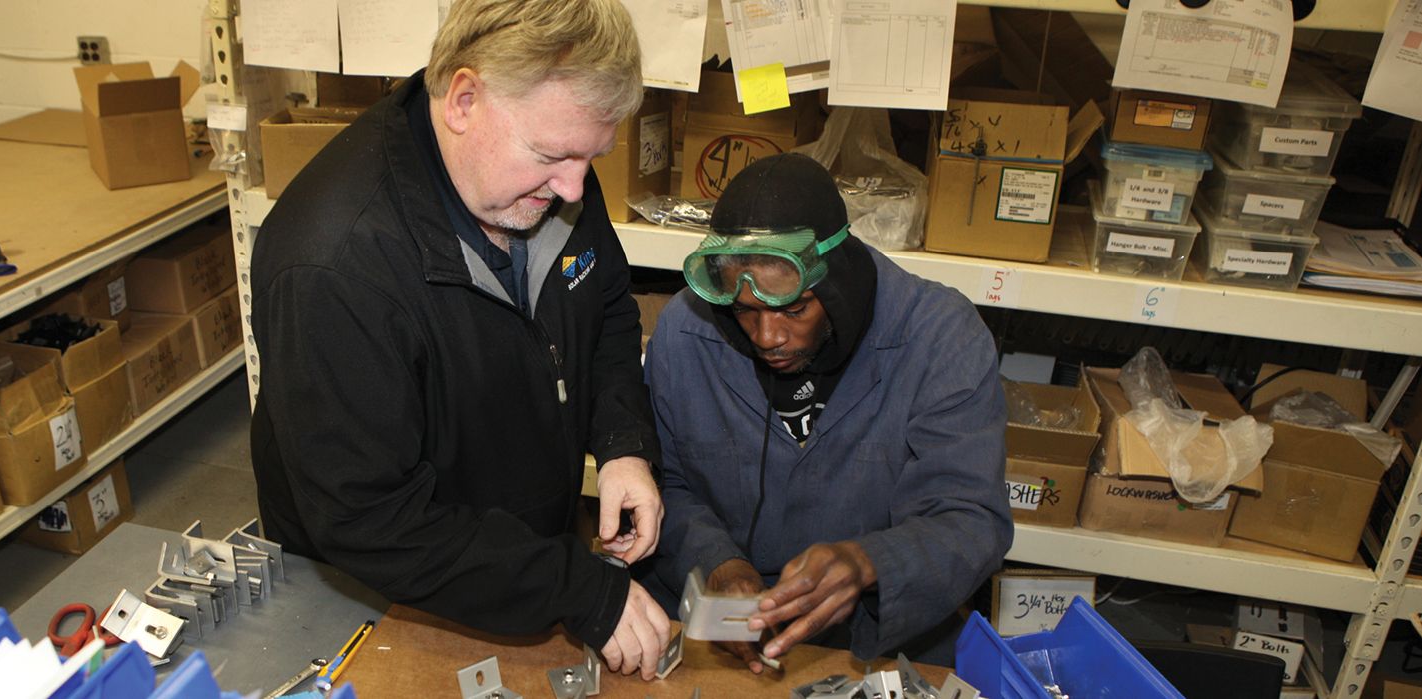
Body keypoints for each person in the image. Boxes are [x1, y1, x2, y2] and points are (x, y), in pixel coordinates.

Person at [249, 0, 673, 679]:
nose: (575, 185)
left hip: (515, 553)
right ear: (464, 99)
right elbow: (371, 521)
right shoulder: (332, 266)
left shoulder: (546, 175)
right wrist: (577, 586)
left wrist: (622, 444)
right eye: (552, 154)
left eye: (592, 157)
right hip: (381, 593)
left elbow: (609, 307)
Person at [640, 153, 1012, 670]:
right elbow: (664, 485)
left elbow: (971, 518)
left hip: (878, 628)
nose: (768, 338)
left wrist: (869, 562)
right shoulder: (686, 334)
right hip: (724, 621)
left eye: (795, 309)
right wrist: (717, 563)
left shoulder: (940, 337)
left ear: (840, 284)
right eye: (745, 312)